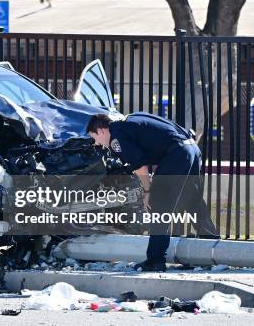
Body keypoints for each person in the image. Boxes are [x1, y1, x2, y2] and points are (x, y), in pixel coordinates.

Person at [86, 112, 219, 272]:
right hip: (191, 149)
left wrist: (148, 191)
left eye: (94, 138)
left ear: (100, 130)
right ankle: (214, 246)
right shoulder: (129, 120)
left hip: (176, 154)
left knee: (158, 206)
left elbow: (141, 166)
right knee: (192, 201)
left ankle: (155, 260)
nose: (97, 143)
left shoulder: (116, 136)